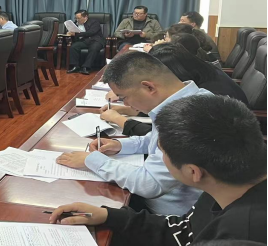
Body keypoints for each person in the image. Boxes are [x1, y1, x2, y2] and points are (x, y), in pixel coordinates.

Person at [49, 95, 266, 246]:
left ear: (193, 172)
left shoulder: (241, 234)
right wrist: (109, 216)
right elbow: (184, 229)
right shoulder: (226, 184)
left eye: (160, 153)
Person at [56, 51, 210, 215]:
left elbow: (150, 184)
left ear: (149, 87)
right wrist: (120, 145)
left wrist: (92, 160)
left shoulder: (188, 118)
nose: (126, 104)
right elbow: (156, 139)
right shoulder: (195, 97)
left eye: (124, 97)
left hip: (168, 218)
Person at [101, 43, 249, 136]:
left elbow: (166, 137)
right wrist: (128, 109)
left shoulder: (205, 102)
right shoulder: (201, 76)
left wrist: (118, 119)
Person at [67, 10, 105, 75]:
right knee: (74, 47)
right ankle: (75, 66)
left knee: (94, 48)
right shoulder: (76, 23)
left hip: (96, 40)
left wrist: (76, 34)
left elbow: (91, 32)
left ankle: (86, 67)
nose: (77, 20)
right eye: (76, 18)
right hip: (84, 41)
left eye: (79, 18)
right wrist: (69, 33)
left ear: (85, 17)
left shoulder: (94, 22)